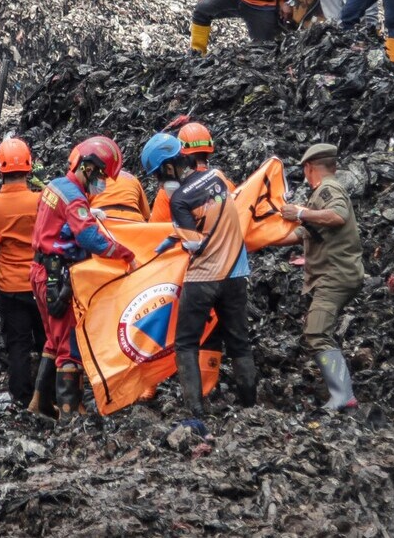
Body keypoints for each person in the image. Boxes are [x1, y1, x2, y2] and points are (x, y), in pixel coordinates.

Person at [141, 133, 257, 421]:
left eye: (158, 175)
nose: (160, 182)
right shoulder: (218, 177)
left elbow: (193, 243)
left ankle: (195, 413)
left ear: (168, 167)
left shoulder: (179, 198)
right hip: (236, 274)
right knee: (239, 342)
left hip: (203, 278)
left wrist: (174, 238)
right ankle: (250, 406)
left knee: (186, 343)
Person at [31, 136, 138, 417]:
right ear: (88, 167)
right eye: (102, 174)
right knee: (69, 348)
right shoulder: (75, 197)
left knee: (53, 341)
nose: (102, 182)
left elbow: (58, 222)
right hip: (58, 278)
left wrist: (89, 213)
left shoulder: (56, 186)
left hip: (41, 272)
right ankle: (69, 417)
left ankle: (39, 405)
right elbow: (89, 237)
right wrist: (125, 253)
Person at [275, 143, 364, 410]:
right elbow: (302, 234)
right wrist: (257, 240)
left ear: (309, 167)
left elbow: (338, 215)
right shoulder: (322, 193)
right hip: (335, 274)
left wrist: (300, 212)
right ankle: (341, 393)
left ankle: (343, 395)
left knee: (316, 332)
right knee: (317, 331)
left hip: (335, 276)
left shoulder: (328, 189)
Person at [0, 138, 47, 411]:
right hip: (39, 282)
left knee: (17, 344)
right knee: (47, 341)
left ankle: (20, 397)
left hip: (8, 285)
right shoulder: (41, 200)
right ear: (29, 167)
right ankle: (48, 395)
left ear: (0, 168)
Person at [149, 122, 235, 222]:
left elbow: (157, 231)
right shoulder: (225, 182)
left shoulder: (168, 193)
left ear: (180, 153)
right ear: (208, 154)